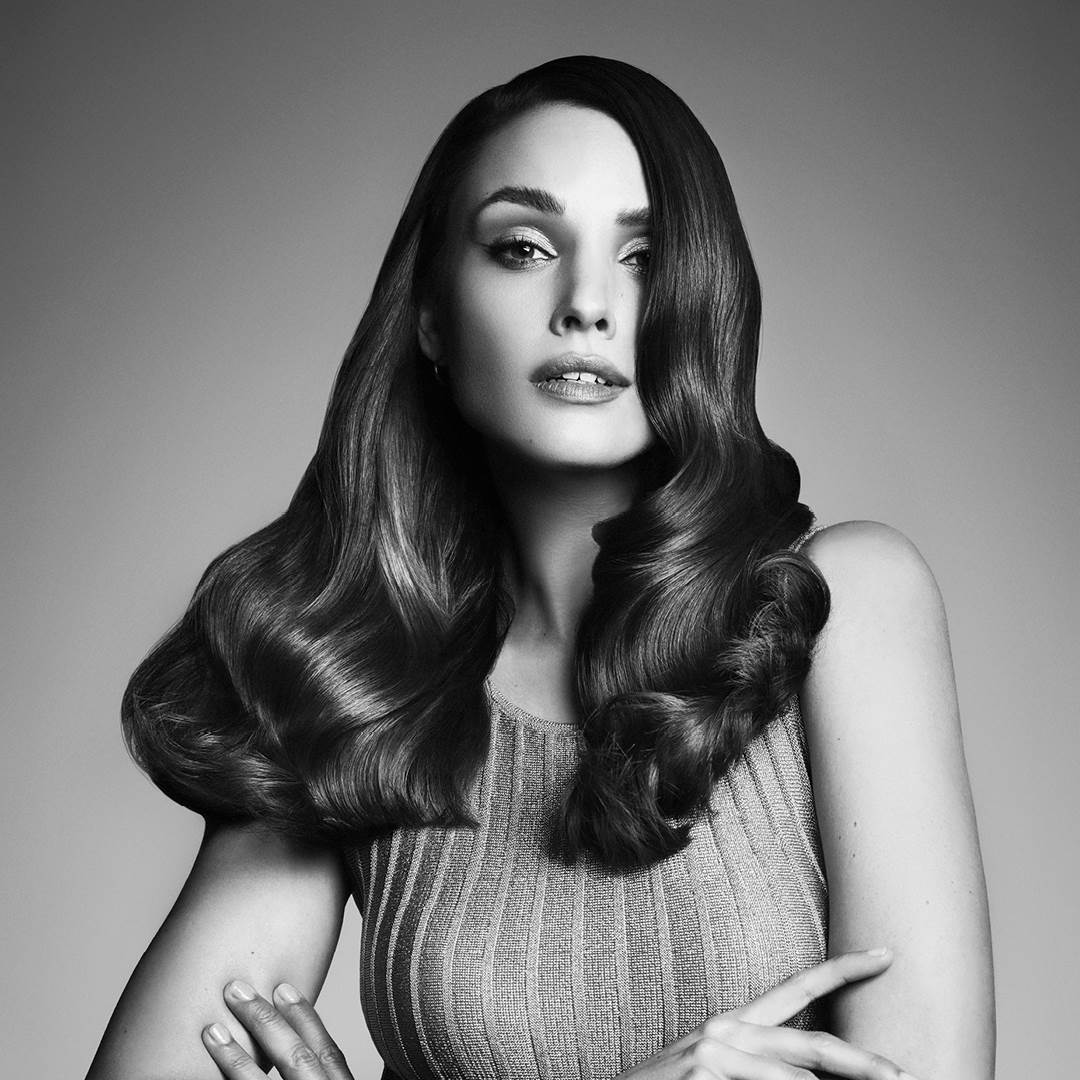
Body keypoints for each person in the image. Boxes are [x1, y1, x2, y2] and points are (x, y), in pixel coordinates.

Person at [86, 56, 994, 1080]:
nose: (587, 304)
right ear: (431, 314)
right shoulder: (357, 689)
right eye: (523, 247)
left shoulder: (841, 603)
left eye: (645, 258)